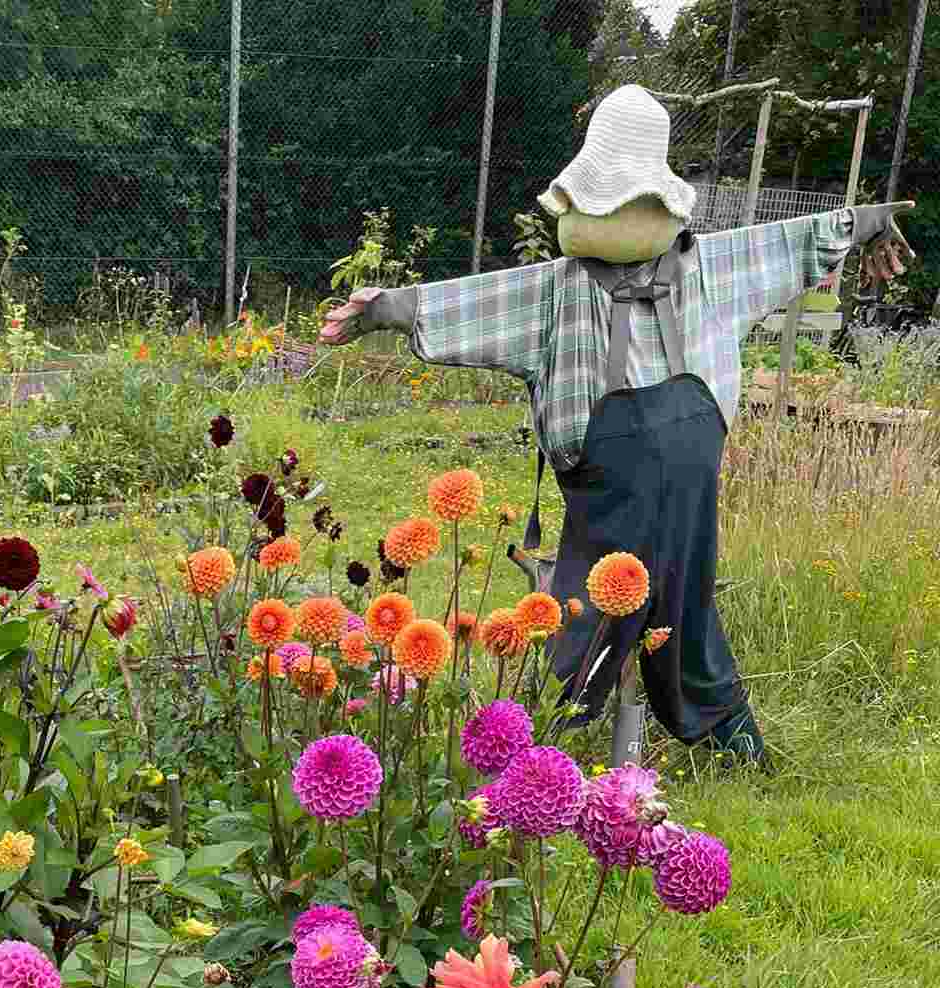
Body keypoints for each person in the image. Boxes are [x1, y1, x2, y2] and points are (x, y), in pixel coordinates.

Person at [318, 84, 916, 764]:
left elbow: (785, 243)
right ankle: (559, 748)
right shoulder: (557, 289)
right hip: (611, 481)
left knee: (650, 606)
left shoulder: (710, 264)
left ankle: (621, 747)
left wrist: (862, 221)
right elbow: (472, 303)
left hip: (680, 474)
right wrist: (386, 307)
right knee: (611, 608)